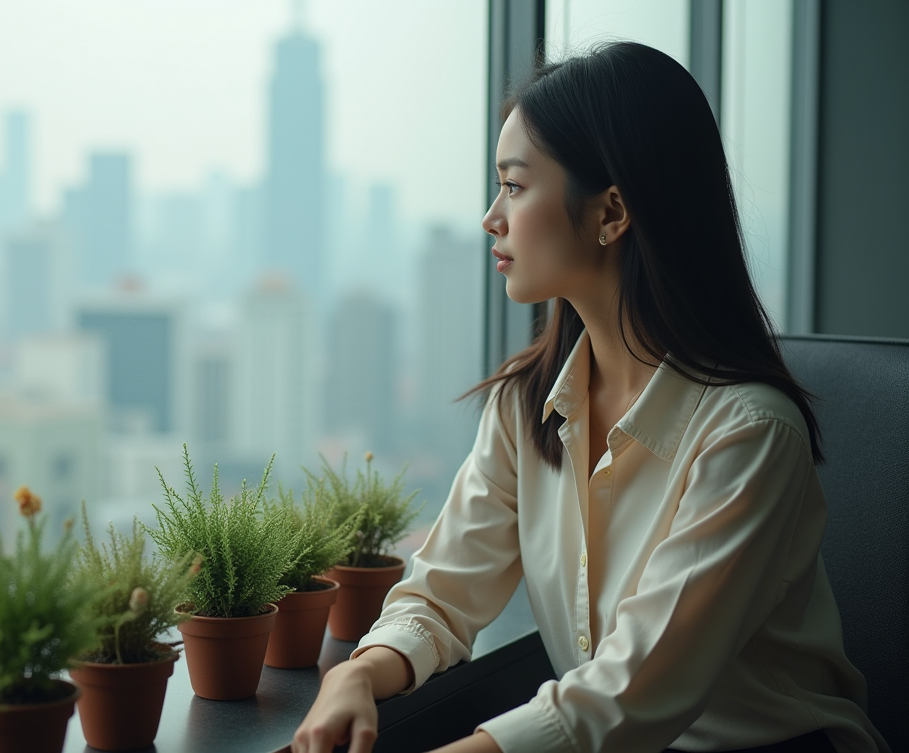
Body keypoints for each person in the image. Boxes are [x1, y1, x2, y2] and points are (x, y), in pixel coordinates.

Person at [291, 42, 889, 753]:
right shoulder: (527, 405)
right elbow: (443, 595)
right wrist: (357, 674)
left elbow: (630, 692)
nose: (491, 217)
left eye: (514, 186)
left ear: (611, 211)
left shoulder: (749, 433)